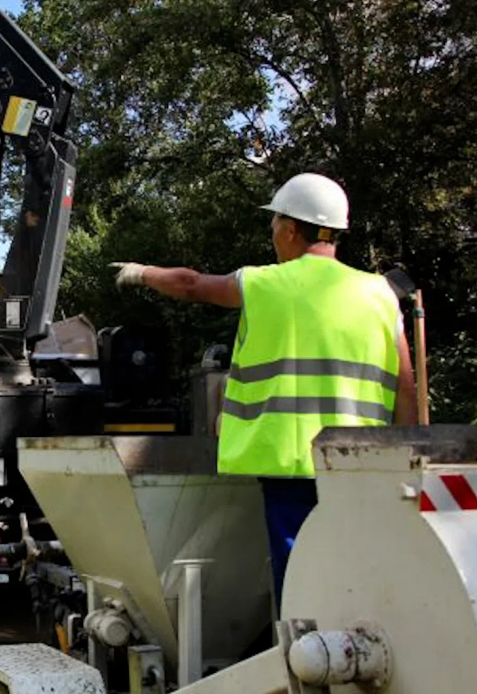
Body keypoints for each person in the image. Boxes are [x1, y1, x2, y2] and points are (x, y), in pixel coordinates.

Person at [110, 172, 418, 611]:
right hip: (361, 466)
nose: (272, 233)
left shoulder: (263, 284)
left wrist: (142, 273)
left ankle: (307, 665)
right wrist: (406, 462)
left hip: (291, 464)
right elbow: (406, 389)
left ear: (293, 228)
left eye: (274, 223)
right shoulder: (379, 294)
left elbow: (192, 285)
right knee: (357, 574)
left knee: (300, 584)